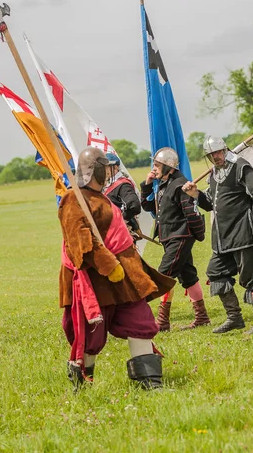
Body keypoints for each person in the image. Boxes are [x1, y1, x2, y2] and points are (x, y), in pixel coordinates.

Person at [58, 146, 176, 391]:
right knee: (92, 336)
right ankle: (82, 385)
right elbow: (79, 244)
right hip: (96, 280)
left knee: (140, 322)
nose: (109, 173)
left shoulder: (101, 197)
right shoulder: (73, 198)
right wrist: (109, 265)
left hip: (123, 278)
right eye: (105, 168)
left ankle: (150, 385)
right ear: (95, 171)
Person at [182, 136, 253, 335]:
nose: (215, 157)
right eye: (211, 154)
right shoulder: (214, 173)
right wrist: (196, 195)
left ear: (225, 149)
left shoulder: (240, 166)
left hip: (244, 234)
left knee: (251, 278)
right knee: (216, 273)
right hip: (222, 238)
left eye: (217, 152)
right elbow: (210, 204)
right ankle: (235, 318)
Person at [140, 147, 210, 331]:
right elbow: (147, 206)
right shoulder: (163, 185)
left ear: (168, 167)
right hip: (171, 237)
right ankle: (202, 317)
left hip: (180, 236)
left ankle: (162, 322)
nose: (154, 168)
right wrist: (147, 184)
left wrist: (195, 236)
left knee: (164, 276)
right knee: (188, 276)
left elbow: (191, 213)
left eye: (157, 165)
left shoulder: (180, 184)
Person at [103, 152, 142, 239]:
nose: (104, 170)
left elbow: (134, 205)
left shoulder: (123, 185)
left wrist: (122, 221)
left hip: (122, 234)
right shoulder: (110, 184)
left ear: (115, 167)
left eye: (107, 167)